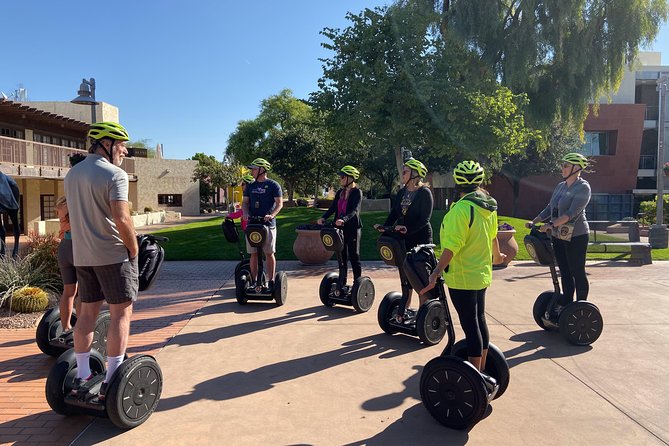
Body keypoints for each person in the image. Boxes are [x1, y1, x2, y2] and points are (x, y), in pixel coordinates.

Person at [64, 122, 139, 400]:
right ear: (105, 144)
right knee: (121, 313)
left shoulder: (72, 175)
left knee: (86, 314)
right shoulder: (115, 174)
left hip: (82, 256)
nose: (124, 149)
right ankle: (112, 378)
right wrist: (133, 250)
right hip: (112, 255)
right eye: (121, 144)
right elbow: (122, 218)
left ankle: (82, 375)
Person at [420, 160, 505, 371]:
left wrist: (436, 272)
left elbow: (451, 247)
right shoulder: (488, 206)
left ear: (457, 183)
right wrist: (497, 256)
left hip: (462, 277)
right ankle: (482, 369)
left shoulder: (461, 210)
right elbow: (493, 235)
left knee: (470, 325)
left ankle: (475, 375)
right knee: (479, 320)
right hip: (481, 274)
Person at [526, 152, 592, 304]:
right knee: (564, 271)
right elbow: (550, 208)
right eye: (562, 165)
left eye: (566, 166)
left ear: (576, 168)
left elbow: (571, 213)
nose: (562, 168)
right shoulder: (560, 186)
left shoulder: (583, 188)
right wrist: (535, 221)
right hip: (558, 235)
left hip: (577, 235)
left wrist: (550, 225)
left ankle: (581, 305)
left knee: (577, 271)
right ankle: (566, 303)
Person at [374, 158, 433, 321]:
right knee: (405, 275)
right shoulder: (401, 193)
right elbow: (394, 213)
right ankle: (402, 312)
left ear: (415, 174)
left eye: (406, 171)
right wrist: (384, 227)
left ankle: (423, 314)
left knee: (420, 279)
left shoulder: (424, 193)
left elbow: (424, 220)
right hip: (403, 239)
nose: (403, 174)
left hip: (421, 240)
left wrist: (408, 229)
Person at [242, 158, 283, 290]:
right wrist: (245, 212)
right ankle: (254, 281)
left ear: (262, 170)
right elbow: (245, 202)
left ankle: (271, 281)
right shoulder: (250, 186)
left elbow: (279, 204)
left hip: (268, 224)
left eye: (254, 168)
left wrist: (272, 214)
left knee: (269, 252)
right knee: (253, 253)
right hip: (253, 224)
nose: (252, 171)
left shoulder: (273, 185)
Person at [317, 165, 363, 282]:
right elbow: (332, 208)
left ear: (350, 178)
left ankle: (357, 283)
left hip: (352, 228)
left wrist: (344, 219)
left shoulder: (357, 192)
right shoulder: (340, 193)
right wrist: (323, 217)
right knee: (341, 256)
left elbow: (355, 210)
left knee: (354, 256)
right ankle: (342, 281)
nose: (340, 179)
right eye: (341, 177)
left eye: (342, 177)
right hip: (339, 228)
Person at [54, 196, 79, 339]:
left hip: (64, 247)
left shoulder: (61, 213)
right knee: (83, 293)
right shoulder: (75, 208)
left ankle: (65, 328)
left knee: (68, 291)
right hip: (77, 247)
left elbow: (63, 231)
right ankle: (82, 328)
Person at [0, 172, 20, 257]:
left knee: (14, 221)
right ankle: (2, 250)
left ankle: (15, 250)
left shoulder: (11, 183)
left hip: (10, 187)